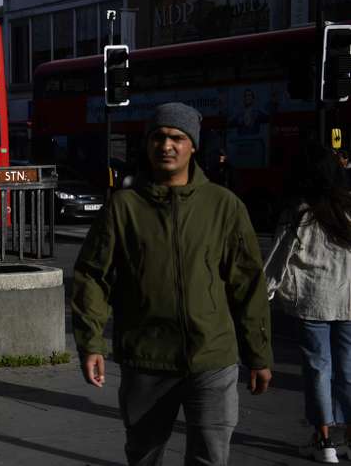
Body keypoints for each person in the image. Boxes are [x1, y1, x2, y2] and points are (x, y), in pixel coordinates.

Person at [72, 102, 273, 466]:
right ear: (148, 144)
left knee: (210, 457)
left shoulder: (223, 206)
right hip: (146, 356)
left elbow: (247, 283)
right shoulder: (124, 207)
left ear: (193, 145)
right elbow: (91, 276)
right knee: (145, 455)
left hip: (212, 357)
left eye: (177, 138)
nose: (167, 146)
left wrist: (258, 354)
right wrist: (91, 344)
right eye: (159, 137)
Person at [265, 140, 351, 463]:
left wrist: (263, 295)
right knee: (348, 371)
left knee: (318, 370)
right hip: (349, 300)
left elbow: (277, 261)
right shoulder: (349, 207)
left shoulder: (298, 213)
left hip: (314, 302)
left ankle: (324, 442)